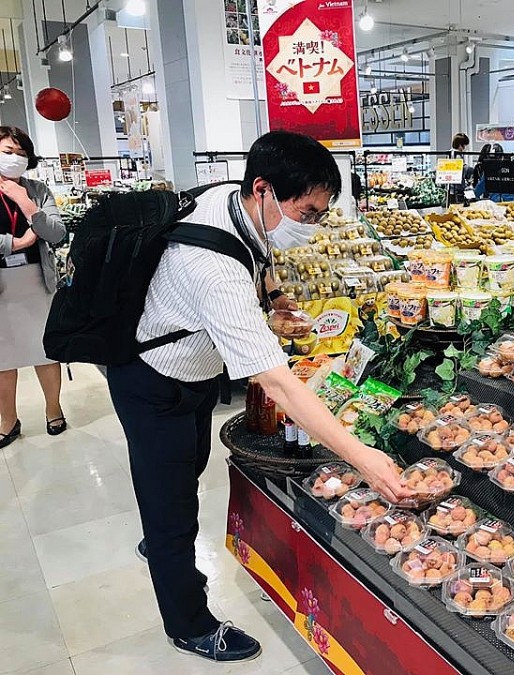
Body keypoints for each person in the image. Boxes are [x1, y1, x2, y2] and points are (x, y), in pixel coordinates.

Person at [106, 131, 411, 664]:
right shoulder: (212, 271)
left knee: (190, 463)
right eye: (307, 212)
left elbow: (254, 254)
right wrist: (361, 456)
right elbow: (277, 383)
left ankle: (162, 541)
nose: (310, 226)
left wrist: (272, 298)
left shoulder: (233, 196)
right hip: (151, 379)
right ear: (265, 189)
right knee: (170, 500)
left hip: (194, 370)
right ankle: (188, 620)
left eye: (320, 213)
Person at [0, 126, 67, 449]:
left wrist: (25, 203)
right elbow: (27, 238)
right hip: (2, 285)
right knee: (2, 358)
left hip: (36, 281)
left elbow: (56, 233)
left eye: (21, 153)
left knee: (45, 350)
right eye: (7, 151)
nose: (14, 158)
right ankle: (8, 420)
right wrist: (15, 242)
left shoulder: (36, 189)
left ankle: (53, 410)